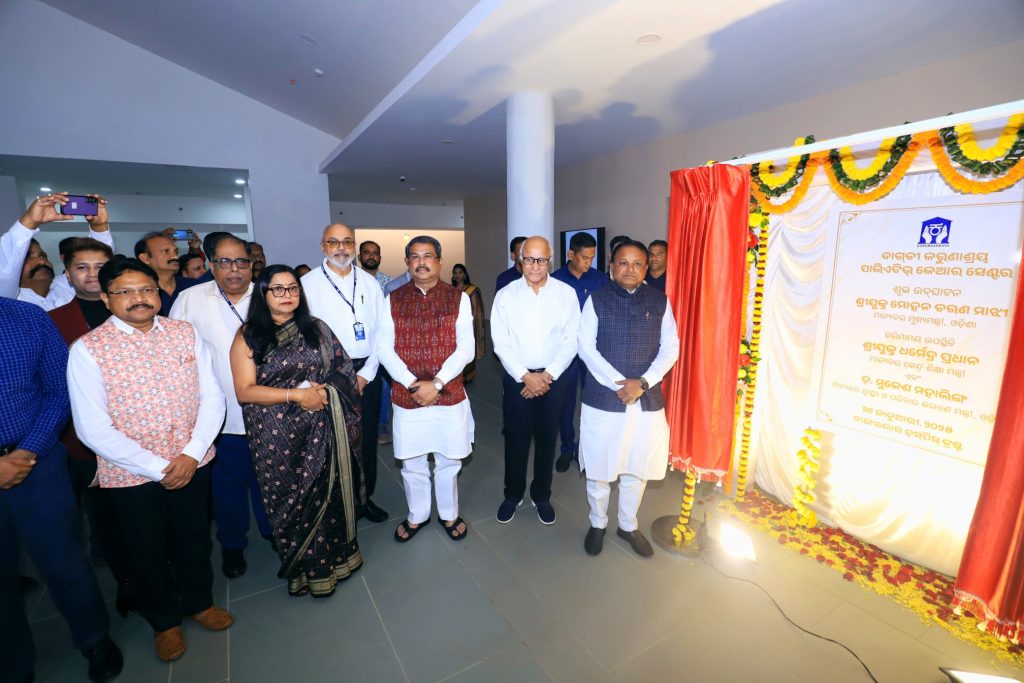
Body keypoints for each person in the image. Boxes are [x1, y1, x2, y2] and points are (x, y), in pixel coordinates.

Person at [68, 257, 233, 663]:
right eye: (125, 292)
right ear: (107, 299)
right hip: (131, 474)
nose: (139, 299)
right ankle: (164, 622)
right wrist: (158, 467)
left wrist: (191, 453)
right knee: (146, 549)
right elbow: (92, 428)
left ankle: (199, 602)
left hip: (192, 461)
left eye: (146, 289)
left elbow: (211, 396)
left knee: (194, 538)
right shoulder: (89, 350)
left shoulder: (184, 333)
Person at [1, 297, 123, 683]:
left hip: (35, 459)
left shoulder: (26, 317)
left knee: (63, 559)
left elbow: (58, 389)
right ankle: (13, 663)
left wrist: (27, 450)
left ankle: (94, 639)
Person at [231, 265, 364, 597]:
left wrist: (324, 393)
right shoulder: (248, 335)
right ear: (263, 294)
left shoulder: (316, 329)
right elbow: (244, 390)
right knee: (290, 500)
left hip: (322, 423)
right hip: (275, 436)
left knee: (326, 493)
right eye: (278, 289)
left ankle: (336, 560)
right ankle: (302, 569)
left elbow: (343, 369)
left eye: (292, 289)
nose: (287, 295)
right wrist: (297, 395)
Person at [169, 234, 272, 579]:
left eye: (241, 262)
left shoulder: (268, 295)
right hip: (221, 418)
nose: (234, 270)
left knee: (270, 483)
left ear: (251, 264)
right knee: (228, 489)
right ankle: (232, 546)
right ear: (210, 263)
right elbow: (176, 360)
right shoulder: (190, 300)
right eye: (225, 262)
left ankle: (275, 535)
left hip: (270, 414)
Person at [49, 237, 137, 617]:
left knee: (150, 516)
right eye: (82, 267)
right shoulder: (55, 322)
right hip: (88, 444)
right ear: (67, 274)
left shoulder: (136, 310)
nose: (92, 275)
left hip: (147, 435)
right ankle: (128, 584)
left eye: (100, 266)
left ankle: (165, 576)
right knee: (108, 522)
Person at [578, 239, 679, 558]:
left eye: (637, 263)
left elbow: (670, 348)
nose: (630, 269)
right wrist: (619, 384)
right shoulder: (596, 300)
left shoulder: (660, 301)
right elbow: (585, 347)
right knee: (599, 466)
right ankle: (597, 523)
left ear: (646, 268)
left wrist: (643, 383)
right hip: (603, 398)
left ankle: (627, 524)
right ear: (611, 266)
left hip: (646, 399)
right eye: (623, 262)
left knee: (637, 465)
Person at [379, 236, 475, 543]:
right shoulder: (392, 298)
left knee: (449, 460)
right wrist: (412, 383)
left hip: (448, 393)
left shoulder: (457, 297)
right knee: (412, 462)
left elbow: (466, 349)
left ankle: (448, 513)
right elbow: (384, 348)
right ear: (407, 262)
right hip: (408, 396)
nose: (422, 262)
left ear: (439, 262)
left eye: (428, 256)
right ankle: (417, 514)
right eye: (415, 257)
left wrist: (436, 383)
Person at [490, 237, 580, 525]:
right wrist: (526, 377)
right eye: (529, 259)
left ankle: (541, 495)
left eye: (541, 260)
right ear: (519, 258)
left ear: (550, 259)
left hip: (555, 379)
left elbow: (571, 340)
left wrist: (547, 376)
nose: (535, 266)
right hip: (518, 378)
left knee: (546, 439)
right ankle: (512, 495)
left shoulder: (565, 294)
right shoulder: (505, 295)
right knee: (515, 440)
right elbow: (500, 342)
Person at [301, 224, 388, 523]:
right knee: (331, 442)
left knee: (365, 440)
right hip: (328, 375)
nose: (341, 247)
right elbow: (302, 336)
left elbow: (382, 333)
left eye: (347, 242)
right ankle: (336, 504)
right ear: (322, 246)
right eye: (334, 242)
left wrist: (367, 374)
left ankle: (365, 499)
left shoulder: (369, 282)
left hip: (367, 372)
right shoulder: (307, 284)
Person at [551, 231, 609, 472]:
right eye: (584, 257)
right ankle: (567, 448)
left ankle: (590, 449)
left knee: (594, 400)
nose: (588, 263)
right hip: (565, 354)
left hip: (593, 352)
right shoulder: (554, 280)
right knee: (565, 403)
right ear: (571, 254)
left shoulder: (600, 280)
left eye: (592, 258)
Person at [0, 192, 114, 309]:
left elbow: (97, 262)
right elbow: (6, 266)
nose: (41, 261)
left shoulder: (65, 288)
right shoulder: (9, 299)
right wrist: (29, 221)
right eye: (28, 257)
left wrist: (99, 226)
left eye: (43, 255)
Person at [134, 232, 200, 315]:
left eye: (175, 252)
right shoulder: (137, 292)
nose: (175, 257)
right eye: (166, 251)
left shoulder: (193, 287)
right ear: (145, 258)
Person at [451, 263, 486, 382]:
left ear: (465, 274)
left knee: (466, 349)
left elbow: (475, 310)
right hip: (452, 326)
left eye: (460, 272)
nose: (457, 275)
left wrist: (470, 327)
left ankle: (468, 376)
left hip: (467, 325)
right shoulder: (450, 290)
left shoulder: (472, 290)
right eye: (455, 273)